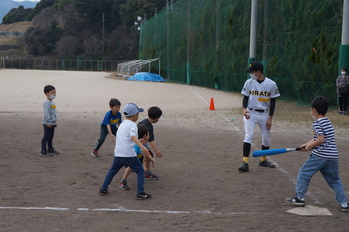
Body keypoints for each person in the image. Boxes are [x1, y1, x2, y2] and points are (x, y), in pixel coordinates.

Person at [286, 96, 348, 212]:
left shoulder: (317, 124)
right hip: (333, 156)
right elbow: (316, 138)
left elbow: (320, 140)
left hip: (320, 156)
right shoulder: (327, 121)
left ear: (314, 110)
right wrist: (306, 144)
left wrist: (309, 147)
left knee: (304, 173)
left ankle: (299, 197)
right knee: (335, 180)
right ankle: (344, 203)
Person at [99, 103, 154, 200]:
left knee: (112, 171)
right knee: (140, 170)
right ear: (135, 115)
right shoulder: (132, 125)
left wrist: (138, 142)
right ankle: (140, 192)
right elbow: (132, 136)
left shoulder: (122, 124)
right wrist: (142, 146)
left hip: (118, 154)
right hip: (129, 155)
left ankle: (103, 188)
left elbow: (127, 139)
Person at [238, 61, 280, 172]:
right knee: (249, 135)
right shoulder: (249, 82)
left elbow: (273, 102)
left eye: (252, 71)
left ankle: (263, 160)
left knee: (266, 138)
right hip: (250, 113)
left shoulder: (271, 84)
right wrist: (244, 110)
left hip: (264, 114)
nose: (251, 74)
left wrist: (270, 118)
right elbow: (245, 97)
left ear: (259, 72)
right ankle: (245, 162)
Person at [119, 124, 155, 190]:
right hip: (130, 158)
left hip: (137, 158)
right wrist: (141, 168)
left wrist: (152, 159)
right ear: (145, 135)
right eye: (148, 134)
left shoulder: (143, 144)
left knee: (146, 158)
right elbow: (131, 157)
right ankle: (123, 181)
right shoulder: (137, 146)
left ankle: (146, 173)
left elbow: (146, 153)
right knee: (130, 167)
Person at [139, 106, 163, 179]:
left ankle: (138, 167)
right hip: (140, 145)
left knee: (145, 157)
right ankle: (146, 173)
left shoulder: (143, 122)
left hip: (136, 144)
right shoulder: (148, 126)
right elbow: (151, 140)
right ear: (157, 118)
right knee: (148, 156)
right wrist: (156, 150)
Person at [40, 85, 60, 157]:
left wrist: (55, 122)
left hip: (52, 123)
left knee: (51, 137)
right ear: (47, 93)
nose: (54, 94)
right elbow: (47, 113)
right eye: (52, 92)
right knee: (46, 137)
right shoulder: (46, 103)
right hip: (47, 123)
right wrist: (48, 122)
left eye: (55, 92)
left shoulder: (52, 103)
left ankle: (50, 149)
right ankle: (43, 150)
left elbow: (54, 113)